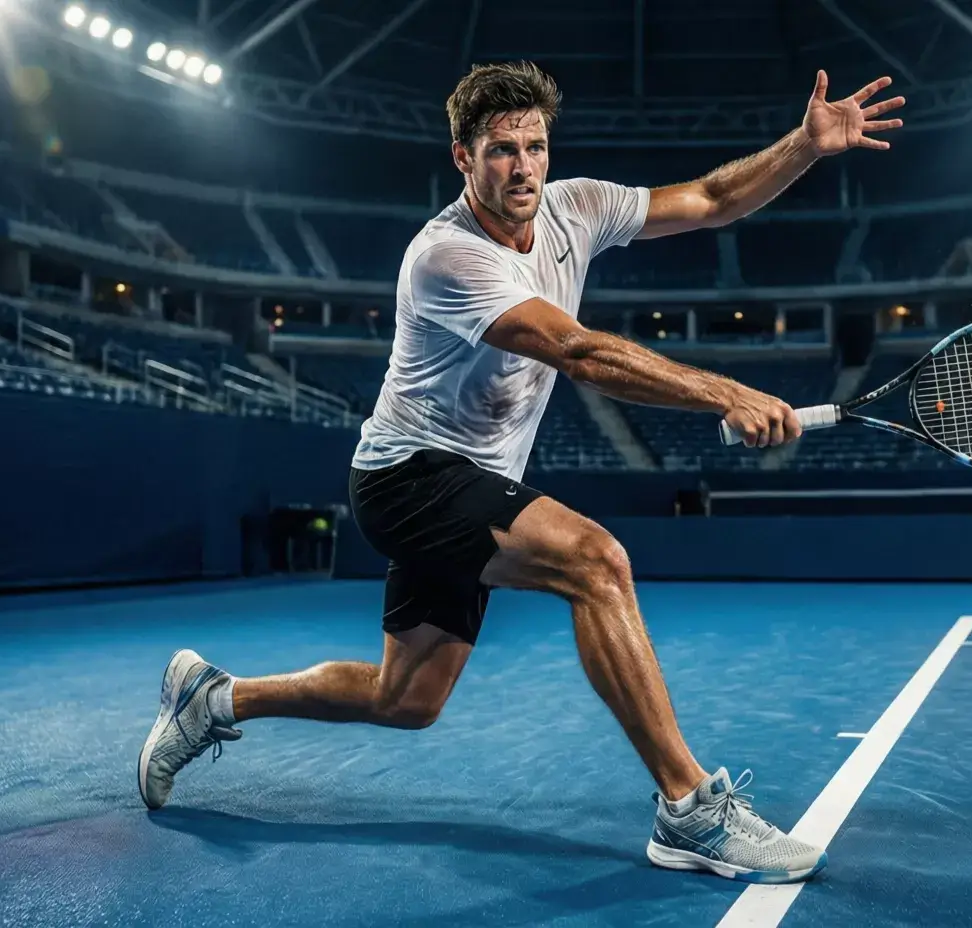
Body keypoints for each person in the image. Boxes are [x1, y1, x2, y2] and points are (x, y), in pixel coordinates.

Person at [138, 60, 904, 884]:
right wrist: (724, 392)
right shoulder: (445, 257)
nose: (524, 166)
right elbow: (576, 349)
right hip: (408, 477)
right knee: (596, 562)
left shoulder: (577, 205)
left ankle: (214, 698)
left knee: (407, 700)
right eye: (502, 150)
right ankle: (689, 810)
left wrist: (804, 146)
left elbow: (713, 201)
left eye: (535, 145)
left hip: (469, 481)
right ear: (463, 156)